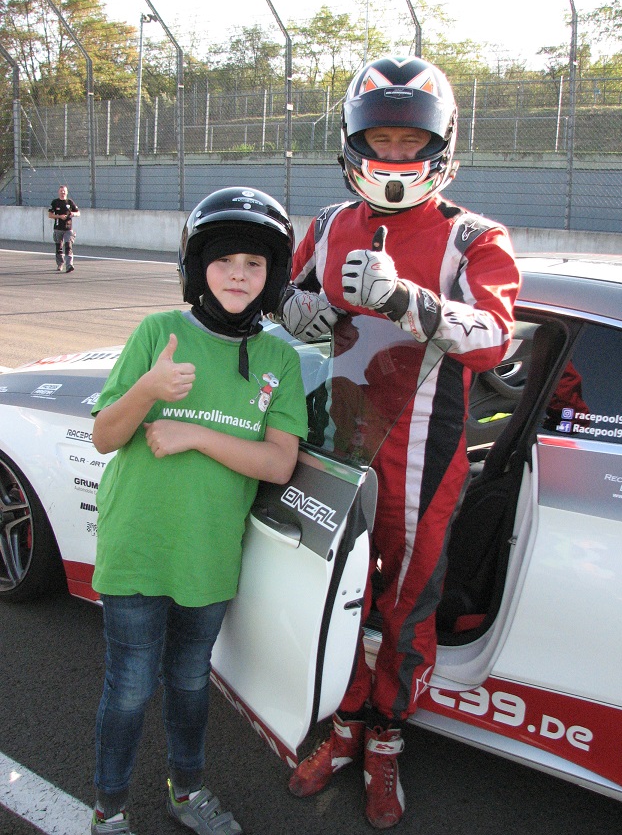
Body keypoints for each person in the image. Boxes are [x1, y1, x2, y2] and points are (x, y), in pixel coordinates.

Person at [276, 56, 521, 829]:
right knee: (335, 590)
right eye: (379, 137)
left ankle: (386, 739)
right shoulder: (327, 224)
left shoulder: (474, 236)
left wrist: (405, 299)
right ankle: (344, 724)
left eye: (409, 140)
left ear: (439, 144)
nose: (393, 152)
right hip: (336, 436)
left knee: (407, 603)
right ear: (353, 140)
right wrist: (302, 312)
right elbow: (289, 300)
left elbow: (495, 337)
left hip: (425, 452)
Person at [89, 187, 308, 835]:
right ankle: (109, 808)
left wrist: (192, 433)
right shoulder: (159, 333)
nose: (238, 274)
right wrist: (148, 388)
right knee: (130, 687)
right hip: (138, 546)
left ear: (272, 275)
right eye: (223, 260)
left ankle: (185, 792)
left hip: (208, 555)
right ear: (196, 268)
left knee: (189, 682)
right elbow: (105, 435)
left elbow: (279, 462)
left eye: (254, 263)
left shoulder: (278, 358)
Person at [48, 184, 80, 272]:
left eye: (64, 191)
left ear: (67, 192)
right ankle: (60, 264)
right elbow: (50, 215)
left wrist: (73, 214)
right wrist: (59, 216)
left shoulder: (70, 202)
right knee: (59, 247)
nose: (63, 193)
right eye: (61, 191)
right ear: (59, 192)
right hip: (58, 228)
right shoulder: (55, 202)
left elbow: (78, 213)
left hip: (68, 229)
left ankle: (69, 265)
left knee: (68, 246)